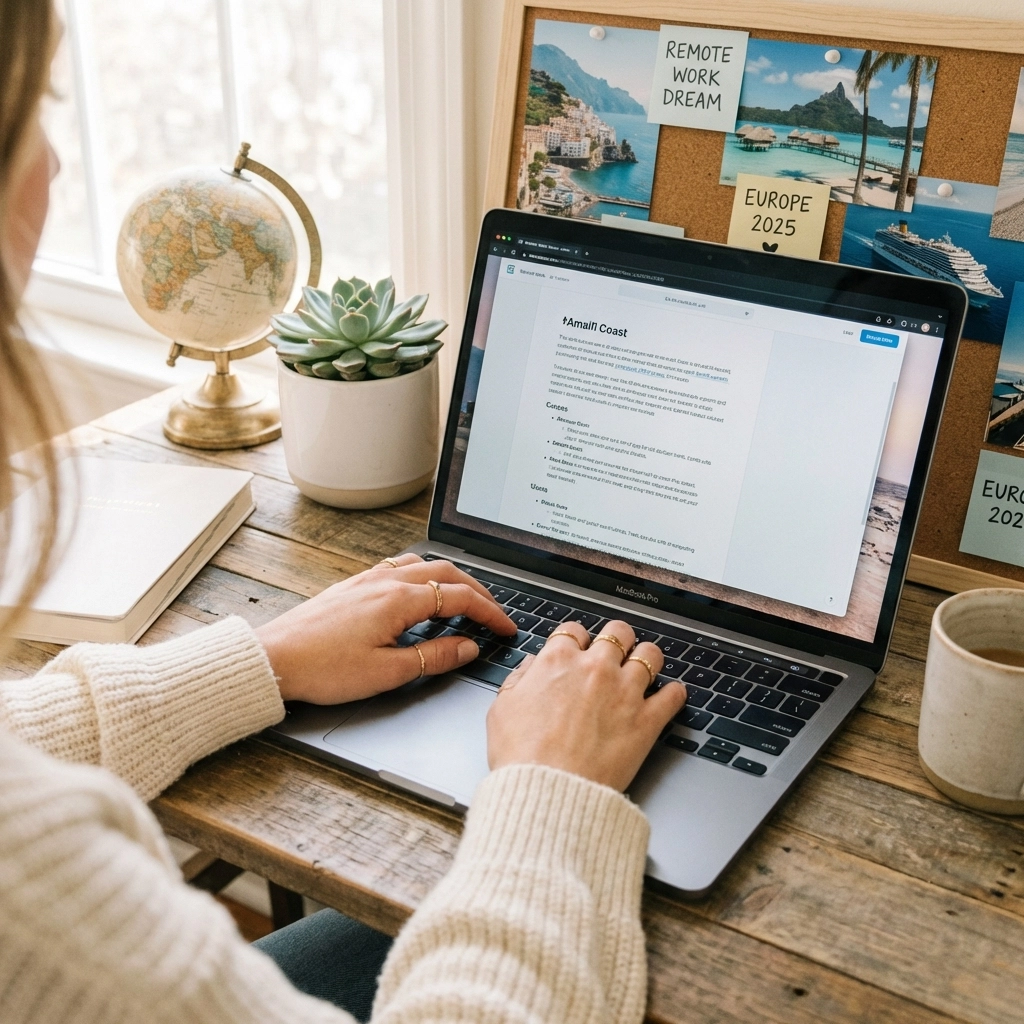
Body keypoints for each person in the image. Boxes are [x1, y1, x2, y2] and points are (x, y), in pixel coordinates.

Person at [0, 3, 688, 1021]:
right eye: (29, 106)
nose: (54, 163)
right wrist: (552, 790)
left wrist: (259, 660)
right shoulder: (42, 889)